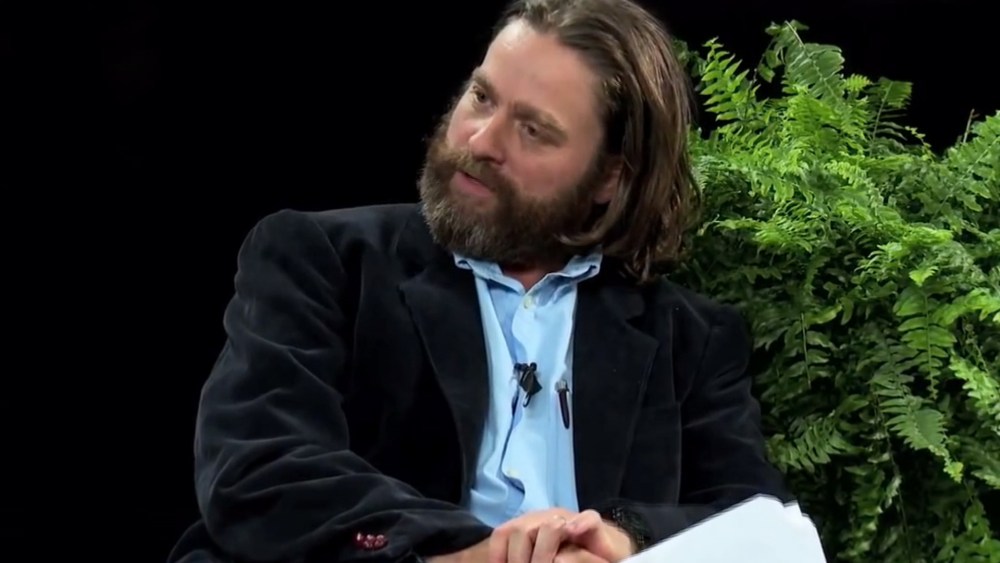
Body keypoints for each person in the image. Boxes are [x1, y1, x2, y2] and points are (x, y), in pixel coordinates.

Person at [167, 0, 793, 561]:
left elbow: (757, 522)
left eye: (533, 130)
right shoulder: (326, 262)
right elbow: (259, 465)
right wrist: (475, 553)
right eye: (482, 98)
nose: (481, 140)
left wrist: (621, 540)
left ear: (610, 178)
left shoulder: (690, 338)